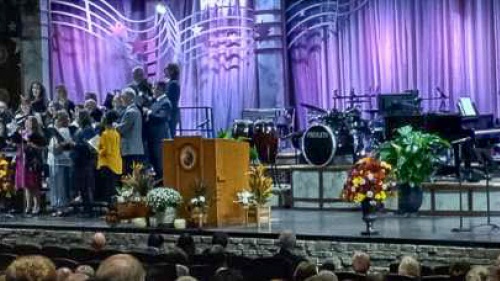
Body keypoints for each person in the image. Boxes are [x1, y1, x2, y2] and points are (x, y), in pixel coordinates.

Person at [13, 116, 46, 215]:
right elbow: (17, 143)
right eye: (26, 122)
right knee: (27, 185)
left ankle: (37, 206)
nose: (27, 123)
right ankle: (28, 206)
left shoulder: (37, 134)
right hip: (24, 161)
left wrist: (31, 144)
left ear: (34, 123)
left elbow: (42, 147)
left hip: (34, 161)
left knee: (35, 185)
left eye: (29, 122)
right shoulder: (23, 133)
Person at [48, 110, 74, 216]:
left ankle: (61, 207)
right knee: (57, 184)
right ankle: (59, 206)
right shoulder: (58, 130)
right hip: (54, 161)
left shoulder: (63, 130)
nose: (56, 121)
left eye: (57, 119)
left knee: (60, 185)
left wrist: (54, 147)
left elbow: (60, 147)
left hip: (60, 161)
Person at [72, 110, 97, 215]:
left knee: (87, 186)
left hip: (86, 161)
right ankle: (85, 207)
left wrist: (75, 145)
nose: (76, 118)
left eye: (77, 116)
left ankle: (89, 209)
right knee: (82, 186)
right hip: (78, 160)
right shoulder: (80, 129)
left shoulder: (88, 130)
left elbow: (94, 146)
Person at [144, 81, 171, 177]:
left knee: (160, 165)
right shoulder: (155, 102)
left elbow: (162, 117)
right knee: (155, 164)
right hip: (152, 138)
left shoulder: (166, 102)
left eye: (155, 88)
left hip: (159, 139)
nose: (153, 90)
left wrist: (149, 113)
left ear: (161, 89)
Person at [116, 88, 144, 175]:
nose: (121, 99)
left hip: (130, 149)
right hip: (133, 149)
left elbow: (122, 129)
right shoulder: (132, 110)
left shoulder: (131, 111)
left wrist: (113, 125)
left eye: (123, 97)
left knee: (129, 175)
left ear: (129, 97)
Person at [97, 110, 122, 204]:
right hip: (116, 162)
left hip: (107, 164)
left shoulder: (105, 134)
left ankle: (111, 209)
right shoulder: (116, 133)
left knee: (108, 189)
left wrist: (97, 149)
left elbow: (106, 150)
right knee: (114, 187)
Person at [165, 63, 180, 137]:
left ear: (172, 71)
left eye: (167, 70)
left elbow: (171, 98)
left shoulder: (173, 83)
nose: (165, 72)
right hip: (171, 112)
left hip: (172, 112)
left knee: (171, 133)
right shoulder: (170, 82)